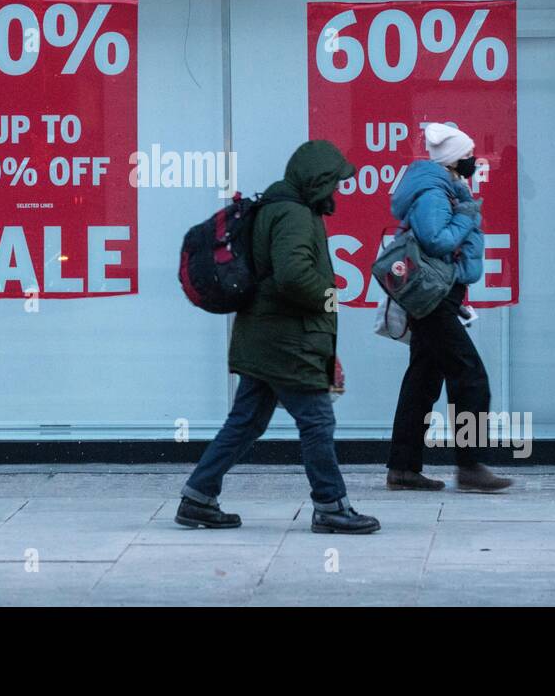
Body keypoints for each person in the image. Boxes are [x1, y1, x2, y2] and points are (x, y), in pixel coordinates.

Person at [176, 140, 380, 534]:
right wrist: (329, 297)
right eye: (333, 183)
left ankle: (197, 496)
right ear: (317, 181)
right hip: (287, 341)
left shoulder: (273, 207)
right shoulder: (295, 215)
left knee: (246, 421)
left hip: (263, 336)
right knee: (317, 420)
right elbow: (292, 275)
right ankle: (331, 505)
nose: (336, 191)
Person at [385, 123, 512, 494]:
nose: (475, 160)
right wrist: (468, 216)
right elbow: (435, 239)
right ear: (457, 160)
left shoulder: (445, 187)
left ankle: (403, 468)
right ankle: (470, 465)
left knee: (422, 382)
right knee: (470, 377)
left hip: (440, 296)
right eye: (470, 155)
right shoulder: (434, 192)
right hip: (433, 299)